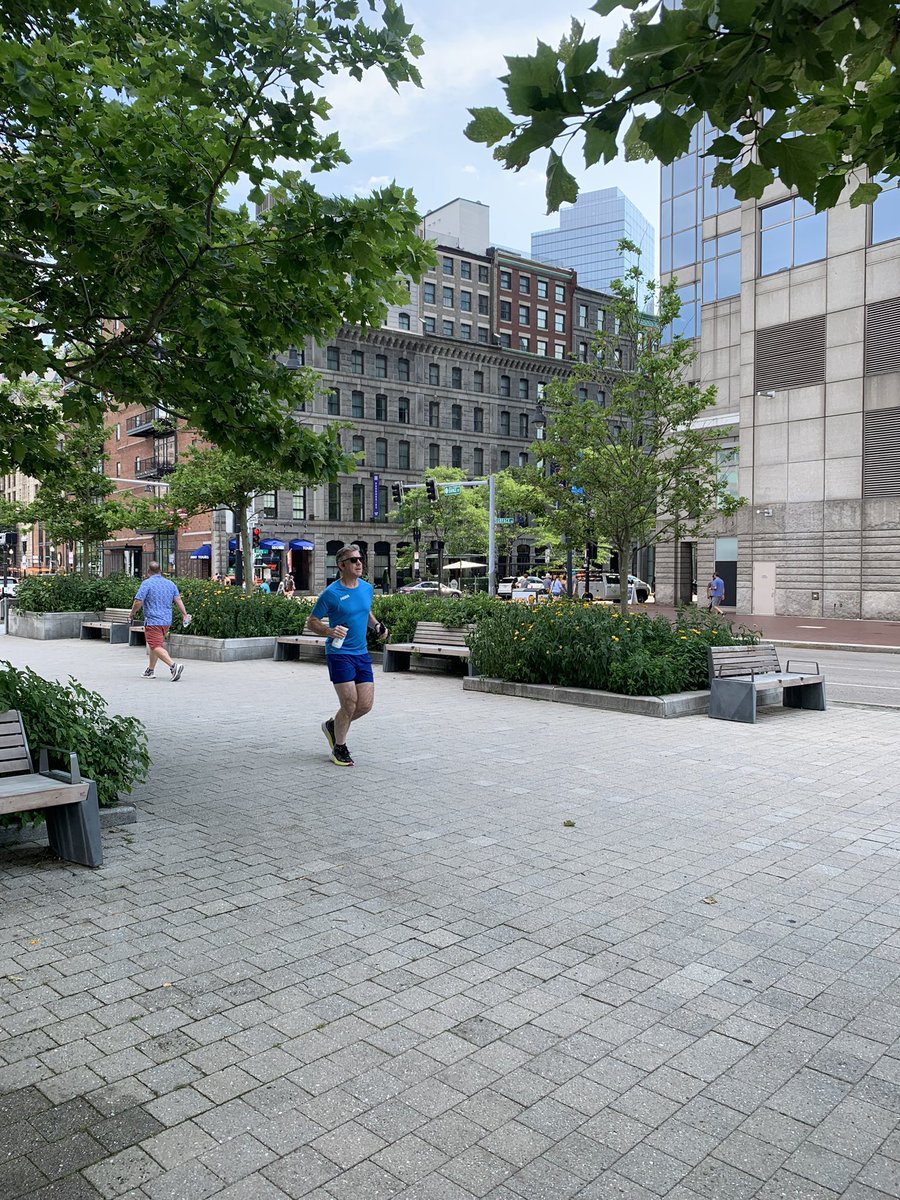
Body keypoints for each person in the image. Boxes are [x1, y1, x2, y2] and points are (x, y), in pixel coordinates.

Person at [308, 544, 389, 767]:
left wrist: (377, 626)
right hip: (339, 653)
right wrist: (329, 631)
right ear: (341, 565)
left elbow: (365, 612)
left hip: (361, 653)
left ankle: (333, 726)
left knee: (365, 705)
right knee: (350, 703)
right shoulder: (331, 593)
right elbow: (312, 621)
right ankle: (339, 748)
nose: (359, 563)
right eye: (353, 560)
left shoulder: (367, 588)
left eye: (360, 559)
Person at [130, 561, 190, 681]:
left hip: (153, 621)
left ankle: (173, 666)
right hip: (166, 621)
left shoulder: (147, 583)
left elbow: (138, 601)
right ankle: (150, 670)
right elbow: (178, 600)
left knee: (155, 645)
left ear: (148, 572)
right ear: (160, 571)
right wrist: (184, 614)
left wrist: (132, 613)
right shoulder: (170, 584)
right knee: (155, 645)